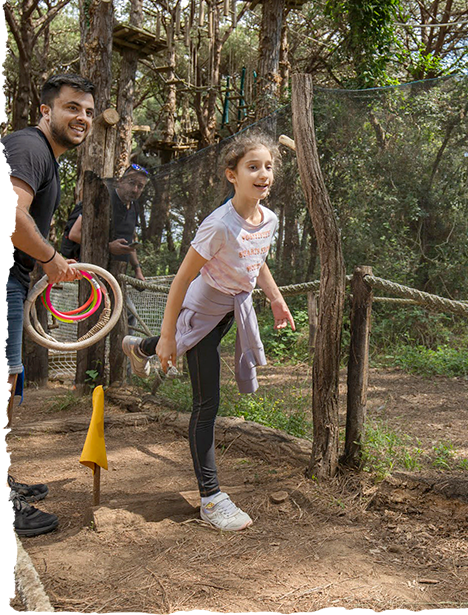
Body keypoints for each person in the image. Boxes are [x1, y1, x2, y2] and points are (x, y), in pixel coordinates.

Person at [122, 131, 295, 532]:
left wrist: (274, 297)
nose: (263, 173)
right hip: (199, 311)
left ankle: (139, 348)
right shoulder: (218, 224)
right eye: (253, 167)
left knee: (187, 368)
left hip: (231, 311)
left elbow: (257, 258)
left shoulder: (268, 219)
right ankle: (211, 499)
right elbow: (182, 280)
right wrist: (168, 336)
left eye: (268, 166)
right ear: (232, 175)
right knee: (207, 405)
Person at [4, 73, 95, 536]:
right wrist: (51, 257)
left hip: (14, 280)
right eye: (72, 108)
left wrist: (41, 263)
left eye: (88, 112)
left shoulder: (46, 159)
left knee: (9, 382)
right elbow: (10, 215)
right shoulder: (30, 148)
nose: (82, 118)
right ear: (46, 111)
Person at [60, 163, 149, 282]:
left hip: (117, 272)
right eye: (131, 183)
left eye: (140, 186)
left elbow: (130, 240)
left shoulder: (134, 207)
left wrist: (137, 270)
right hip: (89, 270)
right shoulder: (103, 198)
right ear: (121, 181)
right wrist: (108, 246)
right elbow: (74, 234)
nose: (135, 189)